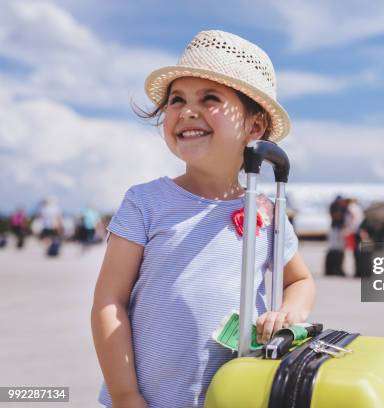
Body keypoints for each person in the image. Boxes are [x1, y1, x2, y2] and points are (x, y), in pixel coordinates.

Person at [91, 30, 315, 408]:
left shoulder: (268, 211)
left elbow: (301, 280)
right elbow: (109, 301)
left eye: (209, 98)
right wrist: (125, 395)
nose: (187, 111)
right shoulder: (146, 202)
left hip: (236, 396)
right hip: (149, 399)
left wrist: (289, 312)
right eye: (177, 100)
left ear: (255, 127)